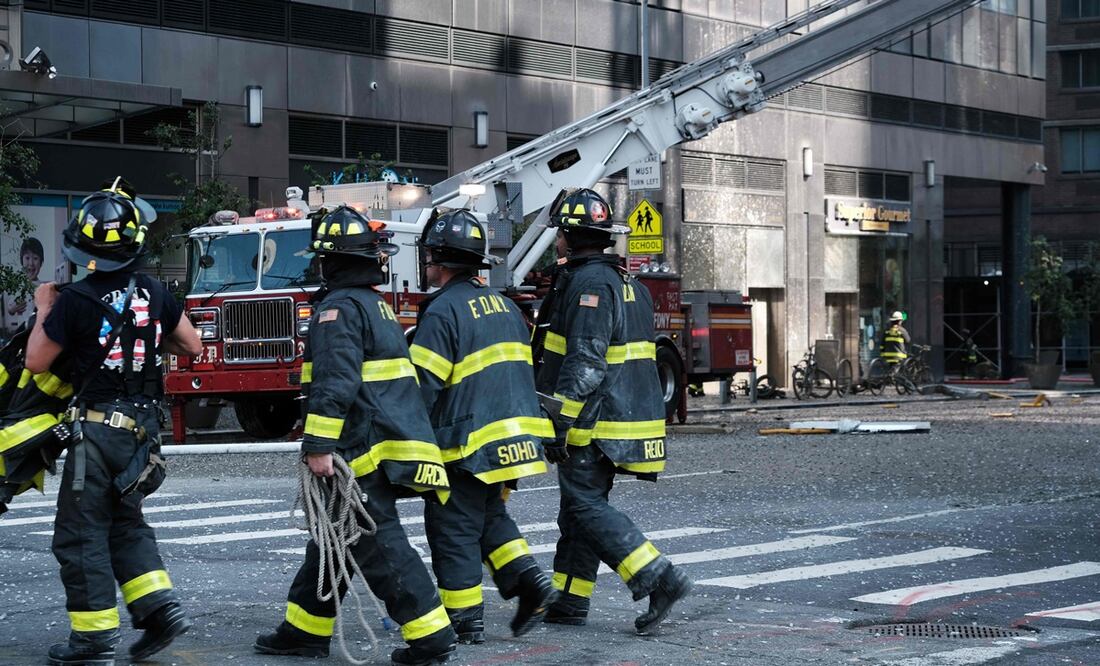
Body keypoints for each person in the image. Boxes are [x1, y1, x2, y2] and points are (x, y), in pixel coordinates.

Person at [254, 205, 457, 666]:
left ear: (330, 260)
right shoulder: (371, 304)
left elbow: (335, 382)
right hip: (380, 439)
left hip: (361, 448)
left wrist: (319, 446)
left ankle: (431, 635)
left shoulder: (339, 309)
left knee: (375, 540)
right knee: (334, 537)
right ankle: (304, 630)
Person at [25, 178, 203, 665]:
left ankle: (93, 639)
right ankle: (160, 611)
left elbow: (37, 362)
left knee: (80, 534)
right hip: (143, 433)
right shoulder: (154, 290)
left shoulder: (75, 300)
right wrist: (147, 336)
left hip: (98, 432)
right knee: (125, 523)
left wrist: (44, 307)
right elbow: (192, 345)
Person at [533, 188, 692, 635]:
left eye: (559, 234)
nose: (556, 241)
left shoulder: (589, 286)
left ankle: (658, 577)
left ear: (570, 236)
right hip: (620, 417)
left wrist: (559, 421)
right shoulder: (625, 283)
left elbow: (585, 362)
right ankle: (570, 600)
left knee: (583, 506)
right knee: (578, 509)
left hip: (595, 421)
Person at [409, 209, 559, 644]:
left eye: (429, 255)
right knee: (490, 515)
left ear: (439, 259)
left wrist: (403, 438)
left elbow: (422, 386)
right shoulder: (506, 306)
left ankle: (464, 619)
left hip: (466, 442)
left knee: (452, 528)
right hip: (510, 438)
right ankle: (531, 582)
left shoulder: (442, 312)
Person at [2, 237, 46, 338]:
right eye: (27, 258)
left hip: (39, 335)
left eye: (35, 258)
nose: (31, 263)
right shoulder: (18, 285)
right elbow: (10, 308)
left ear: (41, 263)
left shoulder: (44, 287)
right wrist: (12, 309)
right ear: (22, 261)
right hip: (22, 334)